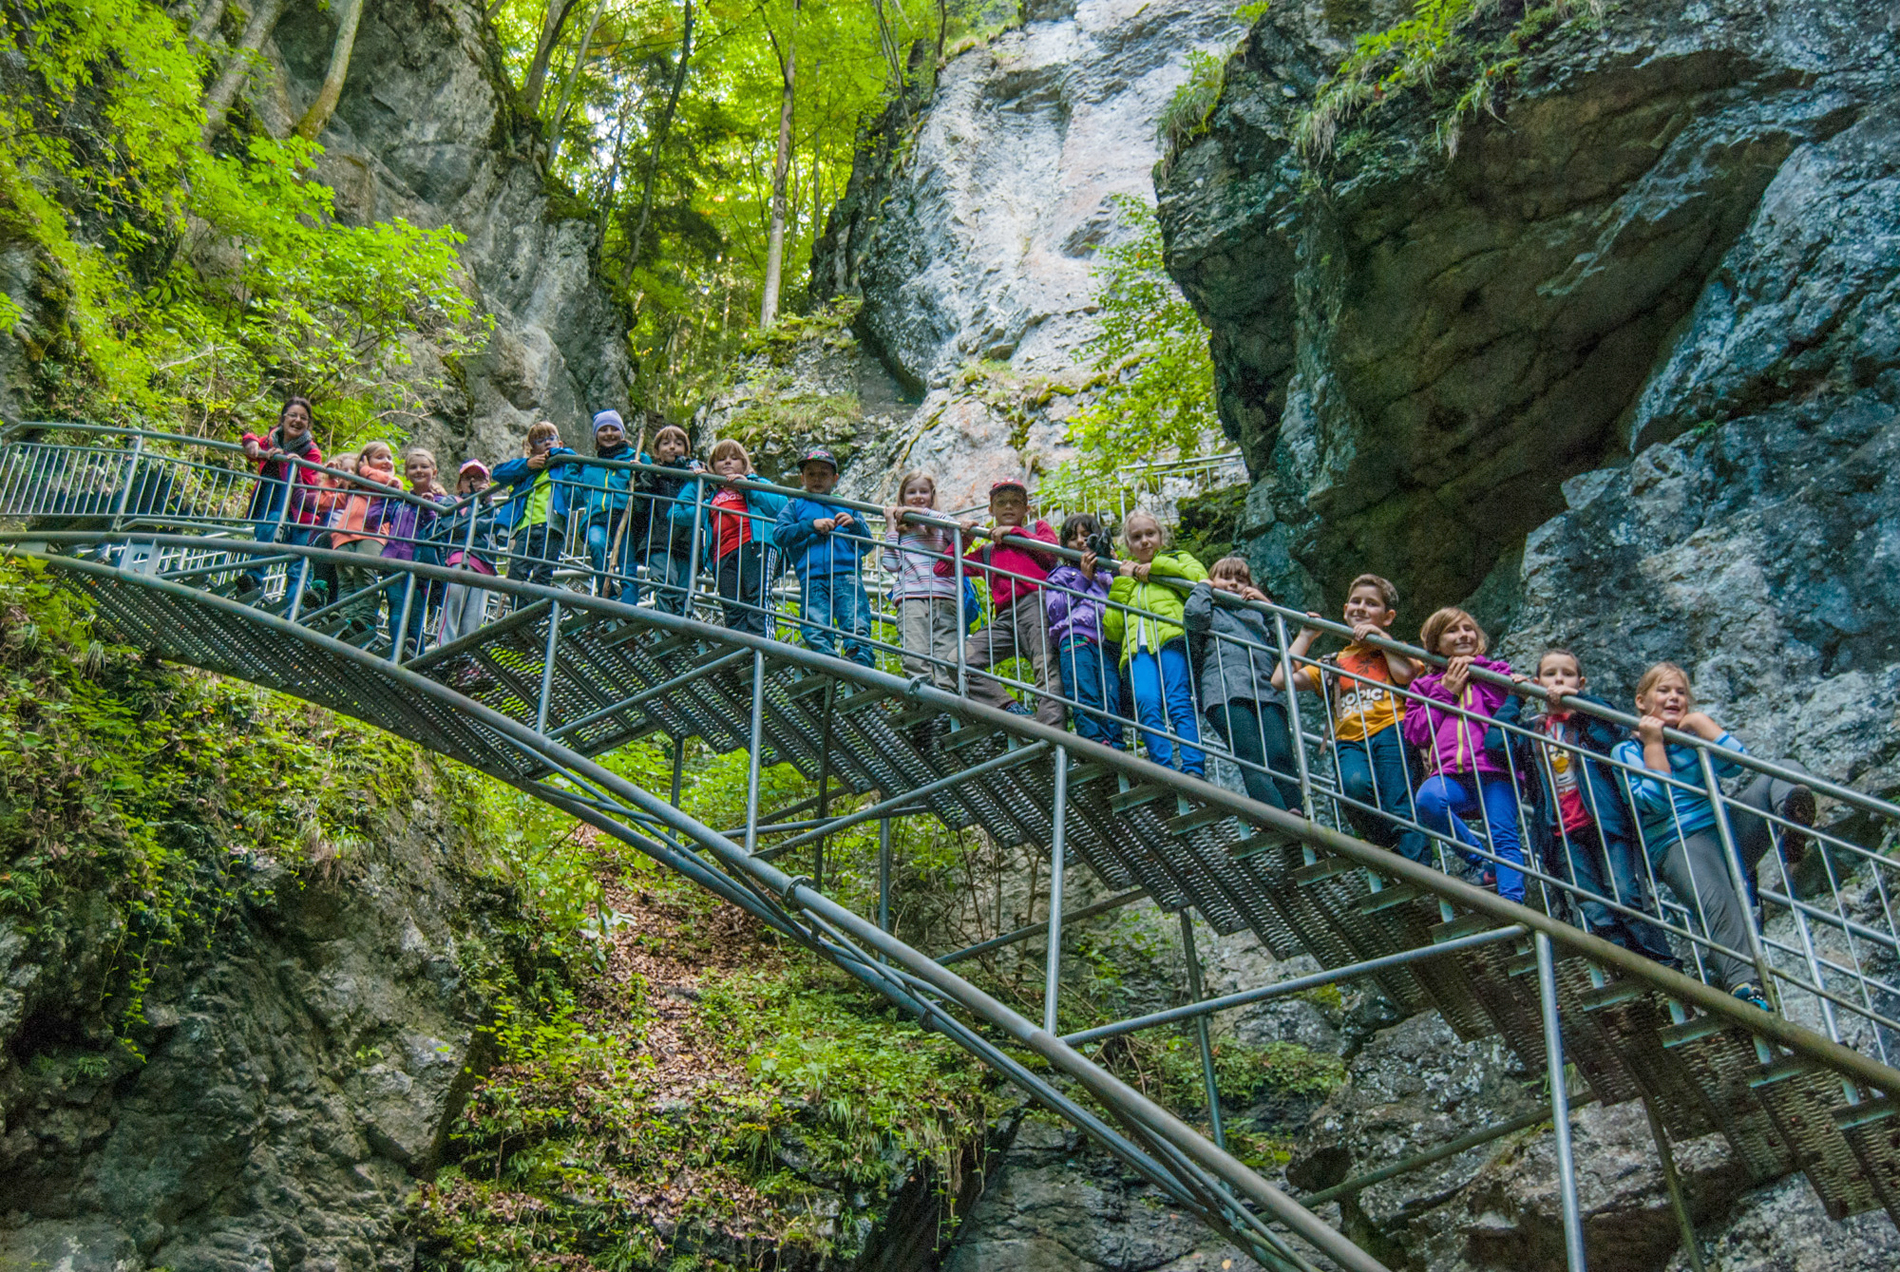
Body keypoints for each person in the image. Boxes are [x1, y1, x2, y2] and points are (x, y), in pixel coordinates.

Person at [1610, 662, 1816, 1011]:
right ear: (1642, 702)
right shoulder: (1626, 751)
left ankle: (1792, 824)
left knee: (1788, 772)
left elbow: (1738, 764)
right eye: (1664, 691)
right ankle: (1744, 987)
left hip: (1724, 829)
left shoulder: (1692, 737)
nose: (1674, 697)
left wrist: (1704, 727)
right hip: (1679, 840)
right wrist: (1655, 744)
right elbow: (1655, 802)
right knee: (1721, 905)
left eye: (1681, 692)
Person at [1508, 650, 1676, 963]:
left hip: (1605, 823)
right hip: (1561, 832)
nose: (1559, 680)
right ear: (1537, 682)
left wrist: (1580, 701)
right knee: (1593, 906)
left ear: (1580, 682)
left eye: (1568, 674)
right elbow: (1495, 747)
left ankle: (1665, 966)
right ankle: (1628, 966)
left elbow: (1614, 729)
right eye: (1550, 674)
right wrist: (1515, 699)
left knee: (1627, 896)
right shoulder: (1531, 729)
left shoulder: (1589, 725)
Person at [1278, 574, 1430, 863]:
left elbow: (1405, 675)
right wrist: (1306, 636)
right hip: (1349, 737)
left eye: (1371, 604)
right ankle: (1391, 851)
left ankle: (1420, 870)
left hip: (1392, 729)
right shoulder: (1332, 661)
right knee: (1353, 789)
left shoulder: (1396, 649)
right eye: (1356, 602)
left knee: (1400, 802)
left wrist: (1381, 639)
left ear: (1388, 616)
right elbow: (1280, 679)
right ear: (1345, 609)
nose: (1361, 607)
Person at [1401, 607, 1526, 901]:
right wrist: (1445, 692)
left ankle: (1513, 905)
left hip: (1495, 772)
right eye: (1452, 630)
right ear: (1435, 643)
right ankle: (1480, 861)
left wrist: (1478, 673)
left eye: (1468, 628)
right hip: (1451, 774)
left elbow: (1503, 706)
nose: (1463, 635)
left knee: (1504, 837)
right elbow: (1416, 733)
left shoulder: (1497, 673)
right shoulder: (1424, 685)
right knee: (1429, 800)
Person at [1185, 557, 1300, 809]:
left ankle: (1297, 814)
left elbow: (1286, 647)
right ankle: (1282, 819)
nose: (1234, 584)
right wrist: (1204, 587)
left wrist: (1267, 606)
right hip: (1224, 689)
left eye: (1241, 579)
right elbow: (1193, 617)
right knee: (1251, 757)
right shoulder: (1210, 610)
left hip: (1266, 689)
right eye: (1225, 578)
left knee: (1281, 756)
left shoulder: (1257, 613)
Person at [1103, 510, 1207, 777]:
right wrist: (1124, 580)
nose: (1145, 541)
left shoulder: (1177, 559)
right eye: (1136, 537)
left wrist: (1158, 569)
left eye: (1150, 534)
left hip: (1170, 640)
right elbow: (1113, 631)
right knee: (1146, 702)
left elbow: (1199, 580)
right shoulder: (1126, 577)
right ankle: (1163, 769)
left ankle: (1194, 767)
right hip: (1138, 650)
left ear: (1162, 536)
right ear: (1128, 544)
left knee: (1178, 701)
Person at [950, 479, 1063, 723]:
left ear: (1027, 509)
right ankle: (1010, 709)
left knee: (1046, 670)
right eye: (1001, 503)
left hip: (1037, 606)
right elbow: (943, 568)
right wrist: (964, 539)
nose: (1008, 507)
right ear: (991, 510)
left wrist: (1015, 534)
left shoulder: (1035, 530)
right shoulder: (988, 551)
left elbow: (1053, 553)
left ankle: (1052, 738)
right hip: (1004, 618)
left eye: (1015, 502)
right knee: (957, 661)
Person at [773, 447, 874, 666]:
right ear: (802, 477)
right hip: (812, 576)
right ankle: (823, 662)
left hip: (846, 574)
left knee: (855, 619)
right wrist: (810, 526)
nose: (817, 479)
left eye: (823, 474)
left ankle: (860, 660)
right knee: (815, 622)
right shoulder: (795, 505)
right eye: (811, 474)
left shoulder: (849, 507)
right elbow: (779, 535)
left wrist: (855, 525)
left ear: (835, 479)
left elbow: (868, 545)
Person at [677, 439, 787, 637]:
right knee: (732, 605)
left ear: (744, 464)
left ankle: (761, 646)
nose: (727, 462)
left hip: (755, 545)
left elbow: (781, 506)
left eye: (734, 458)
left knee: (758, 597)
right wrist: (698, 482)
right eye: (720, 459)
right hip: (722, 554)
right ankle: (738, 650)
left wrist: (746, 486)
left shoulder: (756, 483)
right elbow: (676, 513)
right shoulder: (711, 498)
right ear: (712, 466)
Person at [1044, 514, 1121, 748]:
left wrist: (1116, 568)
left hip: (1107, 641)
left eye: (1087, 537)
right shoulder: (1060, 575)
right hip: (1076, 637)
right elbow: (1055, 611)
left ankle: (1115, 742)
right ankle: (1094, 741)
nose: (1080, 542)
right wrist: (1083, 580)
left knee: (1111, 695)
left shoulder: (1107, 575)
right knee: (1084, 689)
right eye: (1073, 538)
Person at [881, 472, 961, 690]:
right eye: (912, 492)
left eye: (923, 491)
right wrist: (891, 526)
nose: (918, 496)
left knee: (947, 655)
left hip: (944, 596)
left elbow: (957, 529)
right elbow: (890, 564)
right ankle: (925, 701)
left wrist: (921, 513)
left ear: (932, 496)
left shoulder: (940, 527)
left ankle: (947, 702)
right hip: (911, 597)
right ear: (902, 497)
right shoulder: (901, 532)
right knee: (915, 654)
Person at [238, 397, 323, 599]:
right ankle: (252, 583)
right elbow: (253, 444)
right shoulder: (272, 440)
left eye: (303, 417)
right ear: (283, 419)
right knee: (268, 528)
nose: (297, 420)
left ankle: (295, 605)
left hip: (299, 515)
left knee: (297, 564)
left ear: (308, 423)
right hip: (270, 504)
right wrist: (250, 441)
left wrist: (287, 461)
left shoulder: (311, 452)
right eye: (292, 415)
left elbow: (309, 488)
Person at [381, 447, 450, 657]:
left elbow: (440, 529)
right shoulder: (399, 499)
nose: (418, 470)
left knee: (416, 614)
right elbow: (377, 515)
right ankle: (398, 651)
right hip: (393, 559)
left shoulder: (442, 502)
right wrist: (388, 489)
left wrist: (429, 507)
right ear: (407, 473)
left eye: (424, 466)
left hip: (421, 564)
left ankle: (414, 657)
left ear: (434, 471)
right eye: (413, 467)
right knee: (396, 606)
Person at [491, 421, 575, 590]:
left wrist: (555, 455)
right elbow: (498, 473)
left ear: (560, 443)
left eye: (551, 438)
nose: (546, 442)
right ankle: (523, 611)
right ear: (532, 449)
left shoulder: (562, 464)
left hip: (551, 526)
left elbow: (575, 459)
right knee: (515, 573)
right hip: (525, 528)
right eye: (540, 440)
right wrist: (527, 465)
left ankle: (533, 614)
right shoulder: (528, 472)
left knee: (542, 573)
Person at [328, 442, 401, 635]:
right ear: (365, 460)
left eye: (389, 457)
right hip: (343, 535)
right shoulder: (353, 487)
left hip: (373, 534)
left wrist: (365, 469)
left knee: (364, 571)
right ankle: (348, 618)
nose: (387, 461)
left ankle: (366, 619)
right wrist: (330, 479)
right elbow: (326, 501)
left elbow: (386, 482)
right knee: (346, 578)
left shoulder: (392, 483)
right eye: (380, 457)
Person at [628, 425, 701, 614]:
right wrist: (641, 475)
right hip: (659, 539)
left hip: (687, 541)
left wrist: (700, 477)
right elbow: (640, 505)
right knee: (666, 581)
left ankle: (682, 629)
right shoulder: (654, 473)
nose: (672, 448)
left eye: (678, 444)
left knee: (685, 589)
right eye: (666, 443)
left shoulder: (694, 473)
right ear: (657, 451)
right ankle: (665, 626)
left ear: (686, 449)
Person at [435, 460, 500, 652]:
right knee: (453, 604)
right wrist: (477, 516)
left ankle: (464, 661)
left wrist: (487, 500)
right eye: (468, 478)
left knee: (474, 617)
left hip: (484, 564)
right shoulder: (450, 502)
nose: (473, 481)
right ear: (459, 484)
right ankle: (443, 651)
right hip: (459, 557)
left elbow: (499, 525)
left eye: (479, 478)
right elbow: (456, 526)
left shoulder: (490, 506)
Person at [578, 410, 635, 599]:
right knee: (596, 543)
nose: (609, 433)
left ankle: (629, 607)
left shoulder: (635, 458)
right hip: (597, 516)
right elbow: (576, 493)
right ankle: (606, 591)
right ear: (596, 435)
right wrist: (571, 466)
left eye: (614, 429)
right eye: (603, 430)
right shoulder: (590, 464)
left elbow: (648, 481)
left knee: (627, 563)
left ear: (622, 433)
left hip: (625, 517)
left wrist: (641, 467)